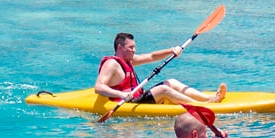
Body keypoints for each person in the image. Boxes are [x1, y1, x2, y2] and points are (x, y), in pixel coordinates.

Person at [95, 31, 227, 107]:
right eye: (131, 48)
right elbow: (99, 87)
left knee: (171, 82)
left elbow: (152, 56)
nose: (134, 50)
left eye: (134, 47)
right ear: (120, 47)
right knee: (163, 89)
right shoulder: (112, 64)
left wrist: (171, 50)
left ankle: (208, 98)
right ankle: (200, 106)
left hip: (138, 97)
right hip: (128, 102)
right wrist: (121, 94)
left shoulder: (129, 60)